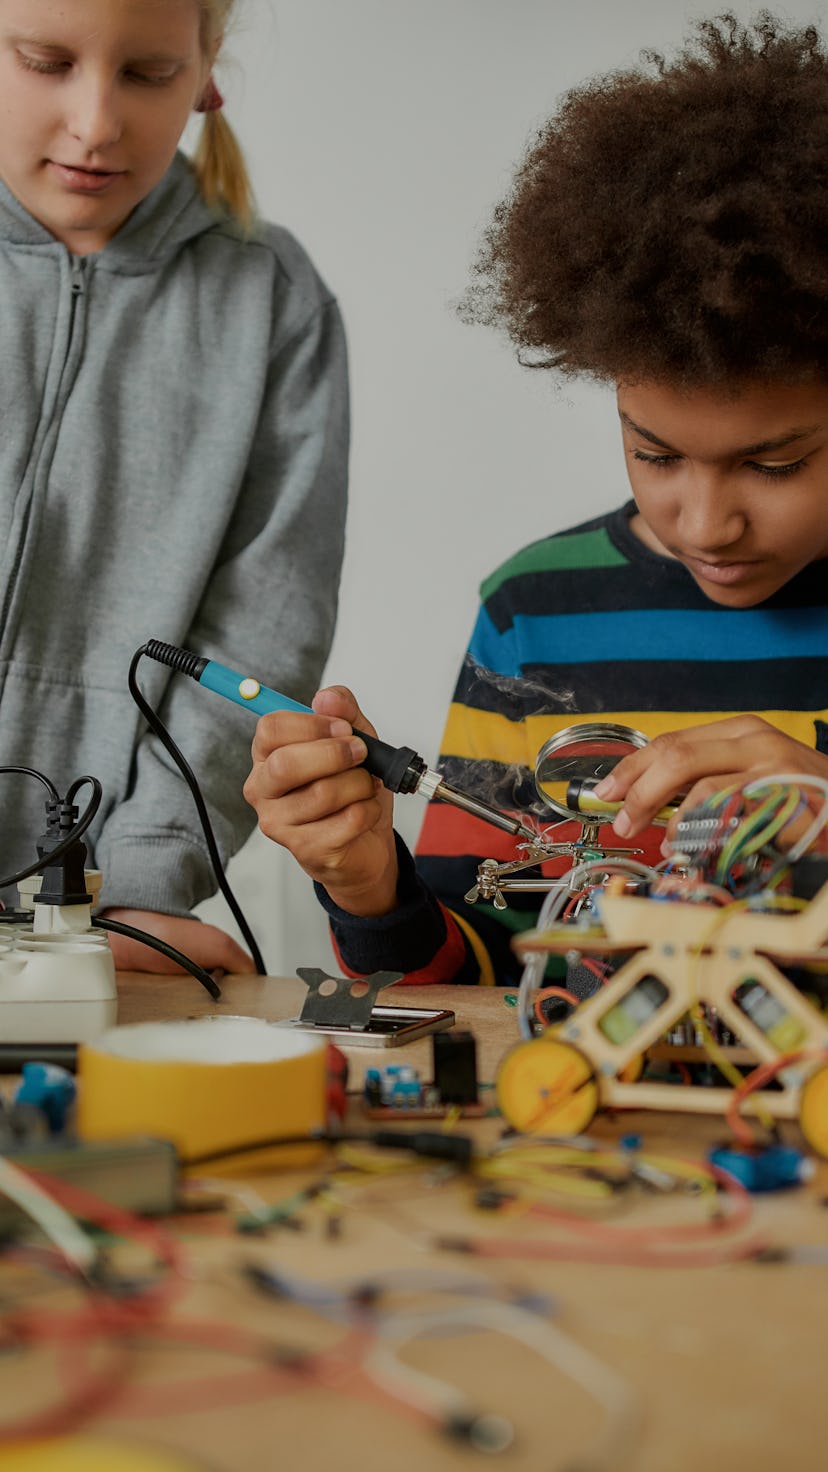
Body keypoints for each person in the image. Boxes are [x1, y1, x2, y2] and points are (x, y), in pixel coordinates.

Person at [244, 12, 828, 988]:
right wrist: (368, 883)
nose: (703, 522)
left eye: (773, 466)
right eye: (654, 451)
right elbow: (482, 973)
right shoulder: (537, 614)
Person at [0, 0, 349, 973]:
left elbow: (259, 638)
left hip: (101, 930)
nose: (96, 121)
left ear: (205, 69)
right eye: (45, 61)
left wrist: (144, 882)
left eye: (147, 75)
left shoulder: (274, 302)